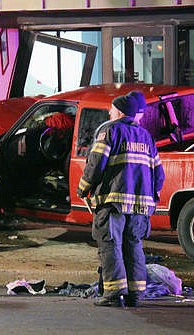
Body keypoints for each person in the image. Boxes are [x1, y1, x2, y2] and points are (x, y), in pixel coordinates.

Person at [77, 91, 165, 307]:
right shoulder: (146, 137)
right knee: (134, 246)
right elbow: (159, 174)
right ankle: (136, 294)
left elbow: (95, 164)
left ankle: (115, 294)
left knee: (110, 245)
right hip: (141, 206)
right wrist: (152, 196)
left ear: (119, 112)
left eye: (111, 109)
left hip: (113, 202)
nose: (109, 111)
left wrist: (82, 188)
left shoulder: (110, 132)